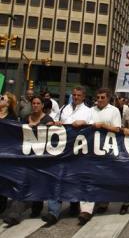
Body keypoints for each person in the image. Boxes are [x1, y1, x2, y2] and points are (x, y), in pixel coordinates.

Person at [42, 86, 92, 226]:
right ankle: (53, 212)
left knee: (78, 179)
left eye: (78, 95)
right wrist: (56, 123)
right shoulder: (64, 108)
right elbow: (57, 121)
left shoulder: (88, 112)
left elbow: (93, 129)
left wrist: (85, 123)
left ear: (83, 97)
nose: (75, 97)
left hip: (79, 151)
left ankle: (77, 206)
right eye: (74, 95)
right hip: (62, 150)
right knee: (57, 178)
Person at [3, 96, 54, 226]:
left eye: (38, 103)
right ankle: (15, 214)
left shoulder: (48, 120)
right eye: (33, 103)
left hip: (41, 159)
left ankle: (32, 208)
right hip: (26, 158)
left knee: (35, 185)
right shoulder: (26, 119)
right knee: (24, 185)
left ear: (42, 105)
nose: (35, 105)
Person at [78, 88, 122, 226]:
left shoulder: (114, 111)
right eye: (98, 97)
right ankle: (86, 210)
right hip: (91, 150)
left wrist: (103, 125)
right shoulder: (91, 110)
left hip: (107, 150)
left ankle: (103, 201)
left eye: (103, 97)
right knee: (89, 178)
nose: (100, 100)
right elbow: (85, 124)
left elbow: (117, 129)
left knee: (104, 177)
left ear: (108, 98)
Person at [0, 92, 18, 214]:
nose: (0, 99)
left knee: (2, 180)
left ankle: (1, 205)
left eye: (2, 98)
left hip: (5, 154)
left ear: (8, 103)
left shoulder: (12, 118)